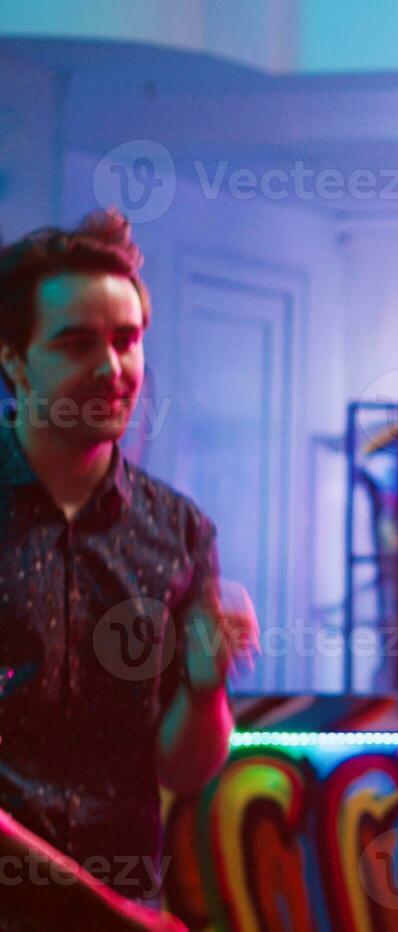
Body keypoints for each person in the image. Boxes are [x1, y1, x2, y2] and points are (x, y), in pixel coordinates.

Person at [0, 210, 254, 931]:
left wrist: (206, 688)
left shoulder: (177, 530)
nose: (112, 369)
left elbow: (180, 771)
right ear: (13, 359)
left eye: (127, 340)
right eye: (77, 343)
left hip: (125, 901)